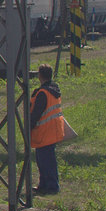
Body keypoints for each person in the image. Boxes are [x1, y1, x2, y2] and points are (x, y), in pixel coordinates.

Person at [29, 63, 65, 196]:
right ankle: (44, 184)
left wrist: (29, 126)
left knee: (46, 161)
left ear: (40, 76)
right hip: (53, 130)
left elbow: (37, 113)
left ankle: (51, 186)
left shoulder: (43, 93)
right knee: (43, 159)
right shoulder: (54, 90)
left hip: (45, 131)